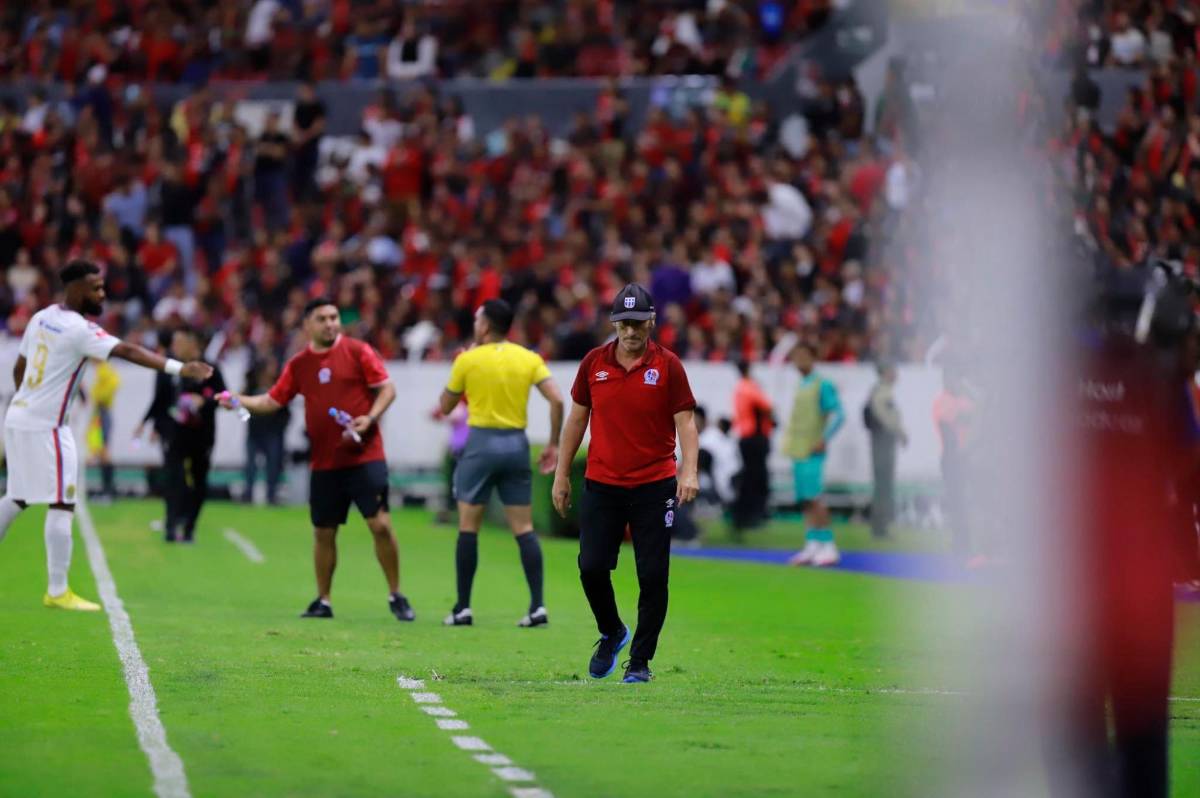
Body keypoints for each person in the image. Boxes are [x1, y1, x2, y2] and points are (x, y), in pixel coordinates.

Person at [0, 260, 211, 611]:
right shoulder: (79, 330)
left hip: (19, 416)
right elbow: (128, 351)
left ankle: (57, 589)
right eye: (96, 288)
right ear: (77, 289)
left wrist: (28, 400)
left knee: (17, 496)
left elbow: (19, 368)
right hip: (47, 425)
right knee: (62, 501)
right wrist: (179, 366)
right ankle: (57, 590)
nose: (103, 293)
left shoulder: (42, 316)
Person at [219, 297, 414, 622]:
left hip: (365, 456)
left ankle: (396, 594)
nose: (330, 323)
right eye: (322, 318)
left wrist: (369, 418)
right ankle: (323, 600)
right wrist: (238, 400)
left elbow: (387, 389)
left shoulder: (357, 351)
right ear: (307, 324)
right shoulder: (299, 365)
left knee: (380, 524)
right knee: (324, 532)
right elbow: (272, 400)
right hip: (325, 463)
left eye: (334, 317)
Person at [552, 284, 700, 684]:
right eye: (623, 324)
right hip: (603, 483)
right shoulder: (593, 364)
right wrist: (562, 474)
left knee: (653, 575)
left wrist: (689, 471)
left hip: (654, 484)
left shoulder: (668, 366)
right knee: (591, 567)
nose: (631, 332)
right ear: (613, 324)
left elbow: (686, 421)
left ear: (651, 322)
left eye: (637, 324)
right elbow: (577, 420)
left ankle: (640, 661)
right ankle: (612, 630)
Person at [438, 299, 564, 628]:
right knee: (523, 529)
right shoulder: (528, 358)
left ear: (484, 325)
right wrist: (553, 443)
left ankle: (463, 608)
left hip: (480, 444)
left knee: (468, 527)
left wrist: (461, 372)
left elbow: (446, 405)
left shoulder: (468, 359)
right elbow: (557, 399)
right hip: (515, 445)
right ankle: (538, 607)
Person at [140, 328, 226, 543]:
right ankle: (170, 526)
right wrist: (147, 424)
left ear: (193, 343)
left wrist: (204, 402)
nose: (174, 347)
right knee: (174, 478)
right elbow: (160, 399)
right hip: (175, 434)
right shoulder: (169, 368)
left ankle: (189, 527)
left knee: (199, 481)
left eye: (179, 342)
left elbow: (225, 396)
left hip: (202, 435)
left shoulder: (210, 369)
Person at [783, 343, 845, 567]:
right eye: (796, 357)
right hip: (798, 449)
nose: (799, 361)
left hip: (812, 449)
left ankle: (828, 545)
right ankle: (813, 544)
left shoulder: (822, 384)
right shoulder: (802, 384)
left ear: (813, 358)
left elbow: (839, 414)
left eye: (803, 356)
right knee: (805, 499)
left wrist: (824, 438)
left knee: (815, 497)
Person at [933, 364, 975, 562]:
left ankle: (969, 540)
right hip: (953, 456)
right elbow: (947, 426)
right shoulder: (943, 401)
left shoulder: (966, 400)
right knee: (956, 500)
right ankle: (960, 541)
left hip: (968, 456)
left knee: (968, 500)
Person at [865, 362, 908, 539]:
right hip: (883, 440)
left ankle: (880, 525)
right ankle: (880, 526)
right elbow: (886, 417)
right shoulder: (882, 392)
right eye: (893, 370)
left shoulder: (879, 390)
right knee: (883, 484)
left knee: (883, 483)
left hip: (882, 440)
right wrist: (900, 432)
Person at [731, 360, 774, 530]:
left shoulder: (739, 388)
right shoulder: (750, 387)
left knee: (748, 477)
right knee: (757, 478)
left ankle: (742, 515)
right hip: (755, 438)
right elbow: (767, 406)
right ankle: (753, 515)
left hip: (745, 437)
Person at [242, 353, 289, 505]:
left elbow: (285, 411)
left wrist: (280, 427)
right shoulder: (251, 386)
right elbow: (242, 404)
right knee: (250, 466)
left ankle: (271, 495)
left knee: (272, 466)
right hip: (255, 432)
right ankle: (248, 494)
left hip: (272, 432)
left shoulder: (279, 386)